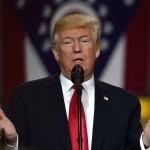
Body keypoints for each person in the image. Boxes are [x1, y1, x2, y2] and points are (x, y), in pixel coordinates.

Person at [0, 13, 150, 150]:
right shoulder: (26, 98)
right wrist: (13, 143)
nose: (77, 48)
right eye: (67, 42)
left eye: (84, 40)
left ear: (97, 49)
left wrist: (146, 142)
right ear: (56, 53)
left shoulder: (125, 103)